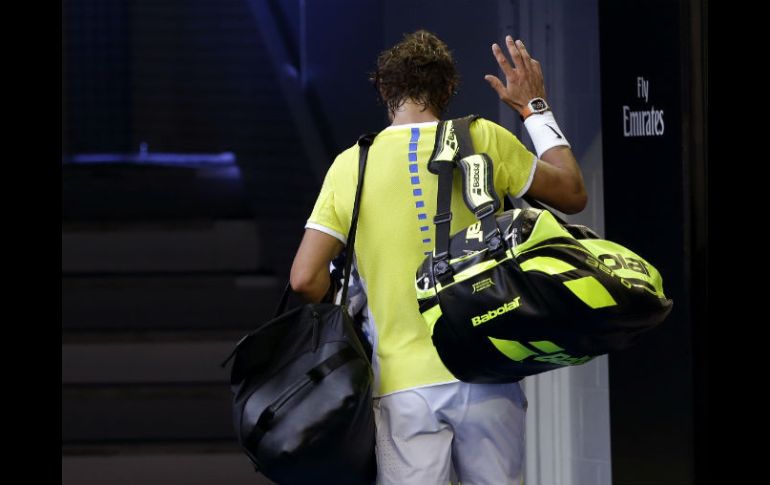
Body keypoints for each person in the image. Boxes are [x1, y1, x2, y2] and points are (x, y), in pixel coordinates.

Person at [290, 30, 587, 485]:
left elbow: (305, 279)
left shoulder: (351, 165)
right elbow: (572, 193)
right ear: (448, 90)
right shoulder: (482, 137)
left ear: (384, 92)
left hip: (402, 387)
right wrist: (534, 108)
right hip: (488, 370)